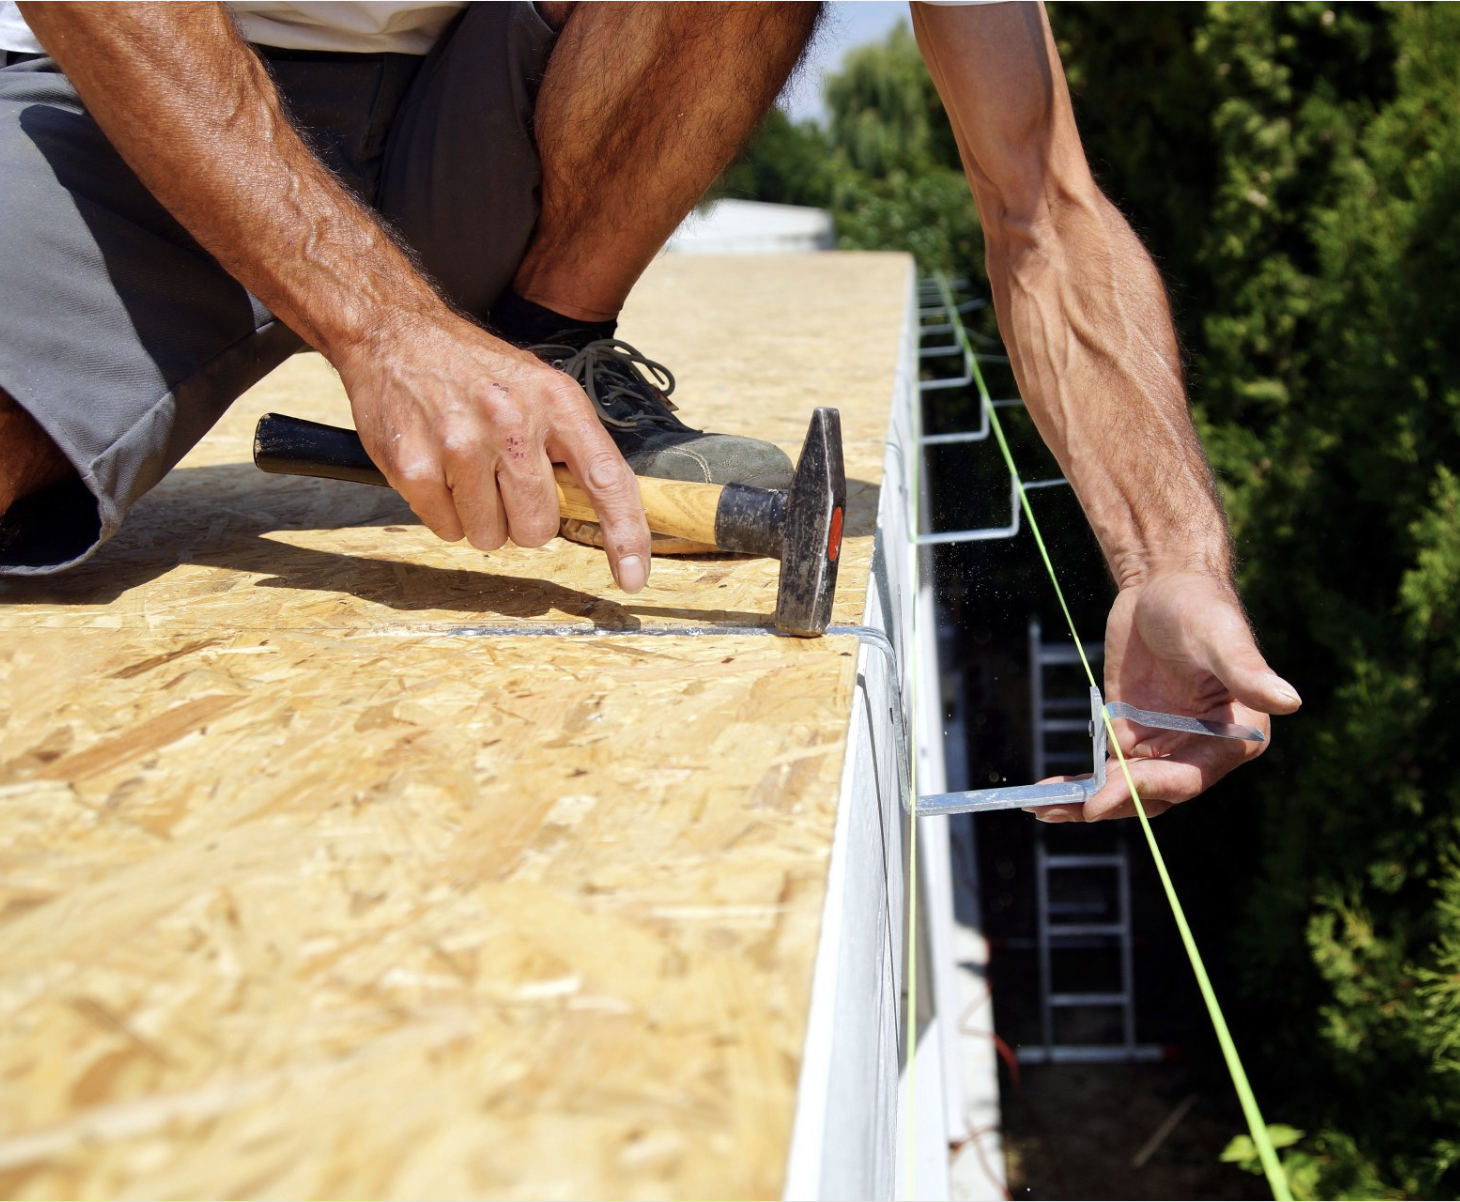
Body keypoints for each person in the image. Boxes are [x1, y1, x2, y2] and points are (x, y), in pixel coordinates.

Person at [0, 1, 1300, 821]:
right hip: (138, 94)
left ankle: (546, 339)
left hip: (468, 107)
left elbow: (1043, 199)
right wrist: (381, 327)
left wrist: (1171, 559)